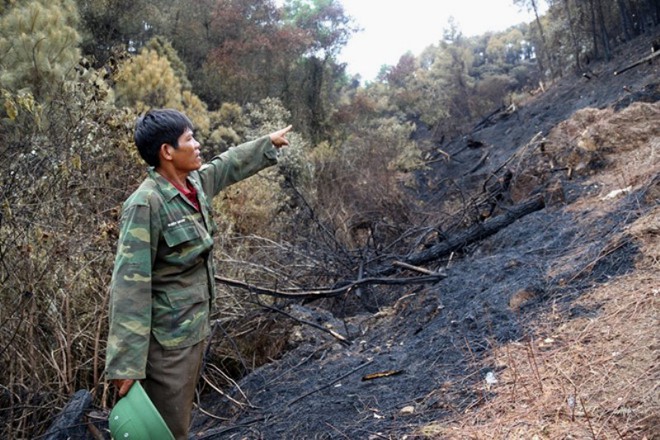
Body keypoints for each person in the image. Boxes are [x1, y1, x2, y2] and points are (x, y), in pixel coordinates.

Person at [106, 108, 291, 439]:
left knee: (179, 424)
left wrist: (267, 143)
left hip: (193, 330)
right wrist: (126, 366)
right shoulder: (146, 204)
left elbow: (226, 165)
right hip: (166, 346)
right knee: (166, 430)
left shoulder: (193, 184)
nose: (198, 144)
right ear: (167, 152)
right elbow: (129, 286)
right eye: (189, 139)